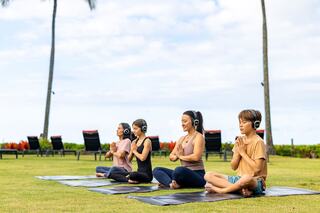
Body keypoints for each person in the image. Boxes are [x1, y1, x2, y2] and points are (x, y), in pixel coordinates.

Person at [204, 109, 267, 197]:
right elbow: (233, 166)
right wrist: (238, 153)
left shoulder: (259, 142)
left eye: (244, 122)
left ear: (255, 124)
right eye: (240, 122)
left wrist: (243, 153)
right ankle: (240, 190)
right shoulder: (239, 141)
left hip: (254, 181)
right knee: (208, 175)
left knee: (246, 178)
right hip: (238, 179)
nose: (240, 125)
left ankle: (220, 190)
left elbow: (257, 169)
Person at [153, 110, 206, 189]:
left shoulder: (199, 137)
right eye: (182, 121)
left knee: (178, 170)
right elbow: (171, 155)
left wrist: (180, 156)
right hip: (182, 173)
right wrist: (176, 157)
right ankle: (171, 184)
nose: (182, 124)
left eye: (185, 121)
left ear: (194, 122)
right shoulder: (182, 139)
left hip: (197, 175)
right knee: (156, 170)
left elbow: (196, 157)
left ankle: (173, 182)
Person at [105, 119, 153, 183]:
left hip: (147, 175)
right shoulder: (134, 142)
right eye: (133, 129)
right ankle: (129, 180)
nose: (134, 131)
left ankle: (129, 178)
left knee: (133, 174)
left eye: (135, 129)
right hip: (139, 173)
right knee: (112, 174)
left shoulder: (147, 141)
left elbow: (142, 158)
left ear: (143, 129)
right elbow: (129, 159)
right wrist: (131, 152)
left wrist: (134, 151)